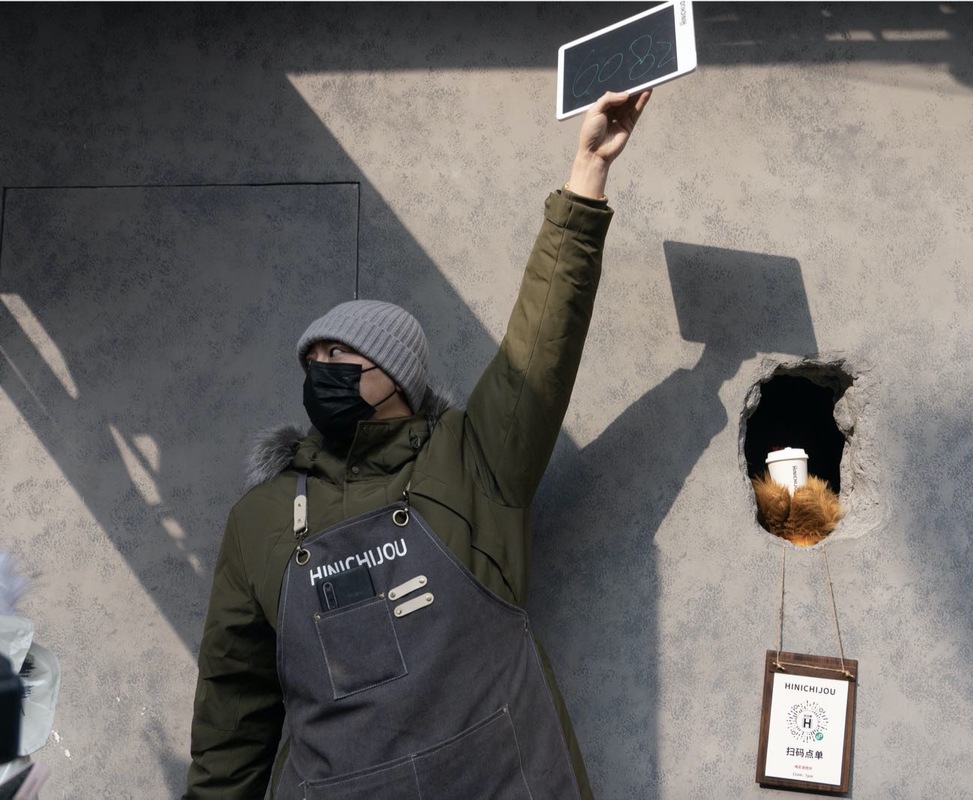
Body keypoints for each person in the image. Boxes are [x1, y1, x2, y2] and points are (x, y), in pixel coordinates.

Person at [184, 88, 651, 800]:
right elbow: (231, 709)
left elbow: (540, 346)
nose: (321, 376)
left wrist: (585, 174)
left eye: (341, 360)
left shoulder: (473, 463)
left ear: (395, 378)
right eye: (312, 364)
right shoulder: (262, 521)